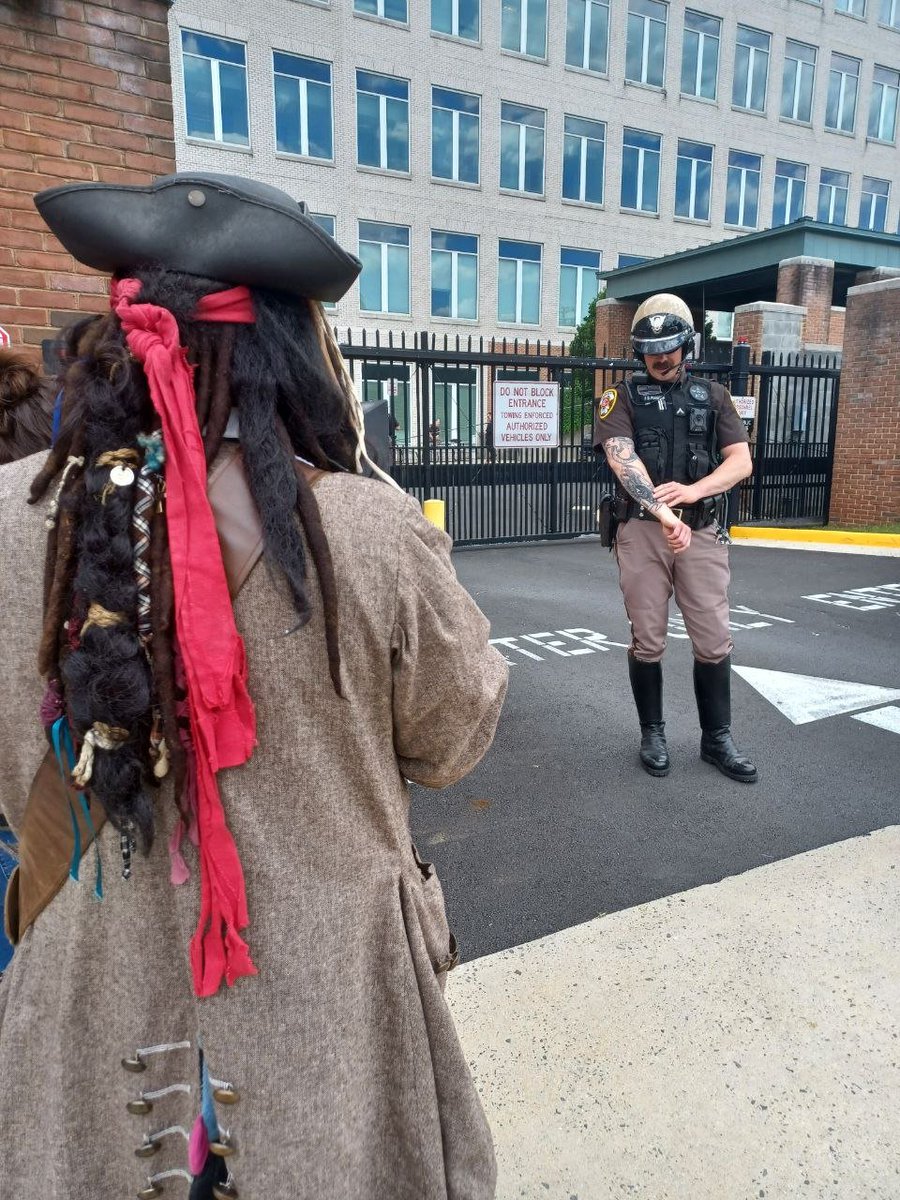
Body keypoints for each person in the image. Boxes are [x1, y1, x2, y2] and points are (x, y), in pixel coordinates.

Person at [0, 172, 508, 1199]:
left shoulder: (8, 518)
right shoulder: (365, 533)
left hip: (89, 999)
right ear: (290, 354)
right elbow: (456, 738)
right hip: (327, 1023)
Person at [594, 293, 757, 784]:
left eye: (670, 347)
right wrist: (667, 514)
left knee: (713, 637)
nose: (661, 357)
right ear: (638, 351)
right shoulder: (619, 398)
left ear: (688, 345)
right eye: (651, 349)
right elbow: (624, 462)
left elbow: (740, 461)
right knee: (648, 638)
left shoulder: (715, 396)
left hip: (701, 530)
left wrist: (693, 492)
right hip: (644, 532)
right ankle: (653, 733)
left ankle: (717, 739)